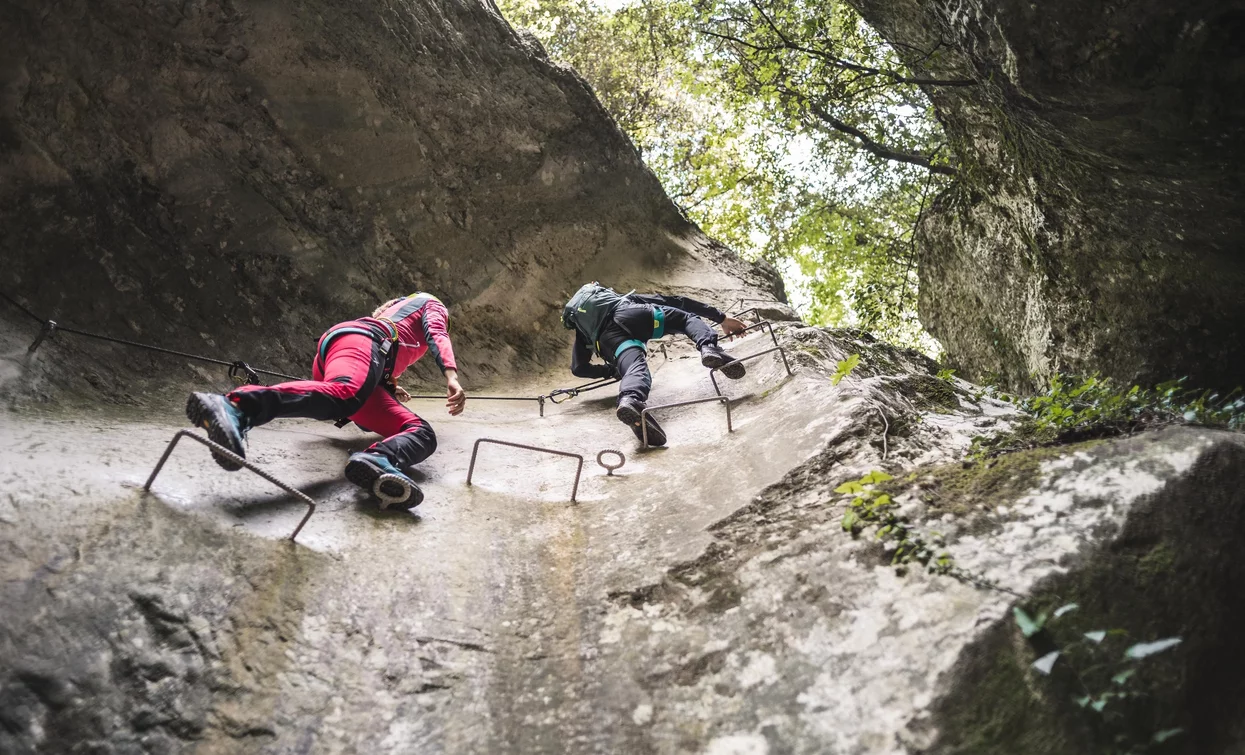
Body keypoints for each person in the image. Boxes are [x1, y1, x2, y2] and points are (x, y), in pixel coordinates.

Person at [185, 292, 466, 510]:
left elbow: (384, 358)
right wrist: (451, 377)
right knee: (345, 394)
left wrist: (387, 384)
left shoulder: (399, 328)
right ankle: (237, 405)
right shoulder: (430, 303)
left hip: (353, 352)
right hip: (364, 340)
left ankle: (379, 459)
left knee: (421, 433)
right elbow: (436, 333)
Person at [562, 283, 748, 446]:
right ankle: (709, 348)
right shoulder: (621, 299)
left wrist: (611, 370)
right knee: (685, 319)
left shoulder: (584, 330)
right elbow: (677, 301)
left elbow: (579, 367)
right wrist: (721, 319)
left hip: (609, 341)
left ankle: (630, 400)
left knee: (635, 367)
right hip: (632, 315)